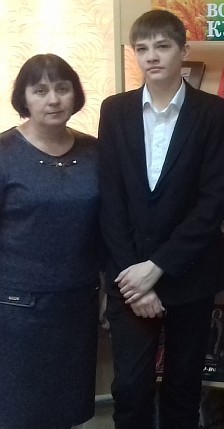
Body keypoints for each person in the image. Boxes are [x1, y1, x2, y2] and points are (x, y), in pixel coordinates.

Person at [98, 10, 224, 429]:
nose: (151, 56)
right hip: (128, 275)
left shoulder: (214, 112)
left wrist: (156, 268)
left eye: (162, 46)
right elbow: (110, 199)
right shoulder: (115, 110)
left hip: (189, 273)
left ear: (184, 50)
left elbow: (212, 203)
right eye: (142, 49)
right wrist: (134, 278)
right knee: (131, 389)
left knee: (182, 387)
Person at [0, 54, 99, 429]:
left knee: (66, 411)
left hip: (78, 303)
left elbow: (107, 226)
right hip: (16, 308)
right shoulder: (5, 153)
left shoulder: (95, 151)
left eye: (62, 88)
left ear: (75, 94)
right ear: (24, 99)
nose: (53, 99)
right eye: (40, 90)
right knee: (19, 412)